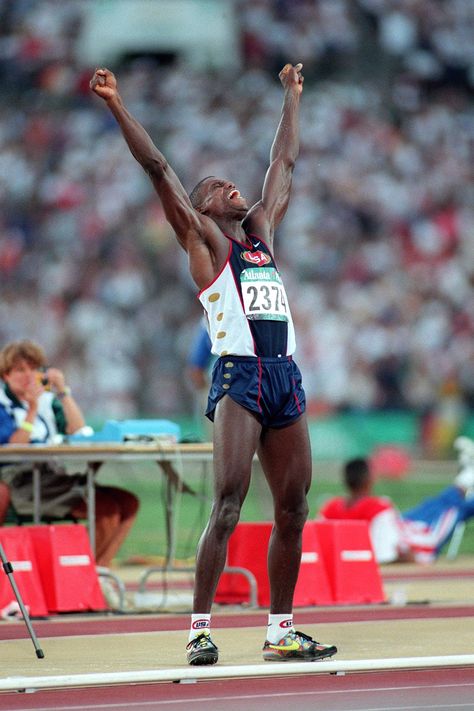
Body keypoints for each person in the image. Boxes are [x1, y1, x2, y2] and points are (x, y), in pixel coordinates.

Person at [91, 62, 337, 665]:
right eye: (215, 185)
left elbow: (284, 164)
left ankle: (280, 629)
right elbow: (159, 170)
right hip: (240, 377)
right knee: (227, 500)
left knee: (295, 507)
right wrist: (117, 103)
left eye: (230, 181)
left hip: (286, 376)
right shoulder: (205, 242)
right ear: (199, 208)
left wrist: (290, 96)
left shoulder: (261, 235)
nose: (229, 185)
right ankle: (200, 628)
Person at [0, 339, 139, 570]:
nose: (28, 376)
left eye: (34, 369)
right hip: (21, 481)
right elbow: (14, 446)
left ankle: (98, 572)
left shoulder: (47, 401)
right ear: (5, 375)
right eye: (19, 370)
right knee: (106, 510)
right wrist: (32, 409)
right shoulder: (4, 404)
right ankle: (85, 577)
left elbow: (79, 430)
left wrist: (62, 392)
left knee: (128, 503)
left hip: (51, 475)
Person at [319, 439, 474, 564]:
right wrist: (412, 559)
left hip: (404, 527)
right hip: (414, 541)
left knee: (432, 505)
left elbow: (319, 544)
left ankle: (465, 478)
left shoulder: (330, 508)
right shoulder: (378, 508)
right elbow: (387, 556)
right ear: (369, 480)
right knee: (454, 510)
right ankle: (466, 478)